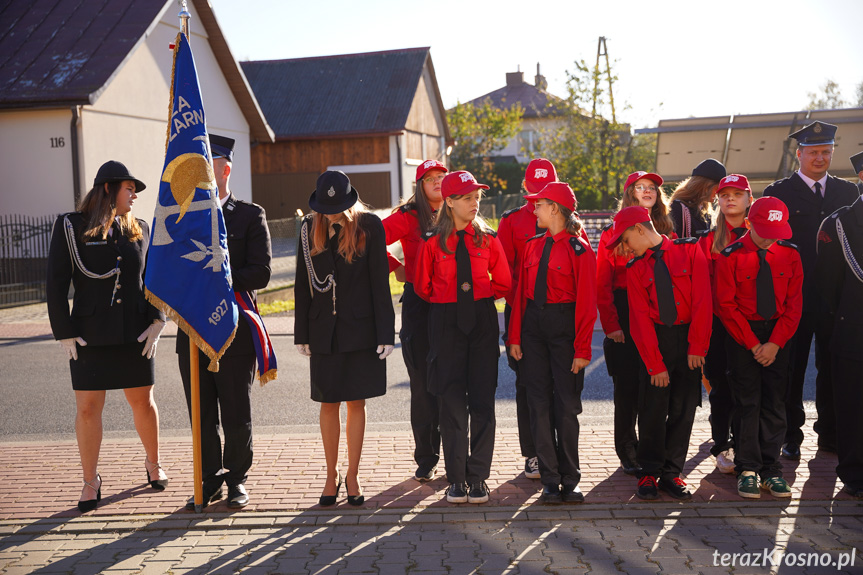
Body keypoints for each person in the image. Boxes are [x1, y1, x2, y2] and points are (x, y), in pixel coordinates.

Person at [47, 160, 168, 512]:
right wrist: (64, 332)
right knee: (87, 409)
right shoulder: (71, 227)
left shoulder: (140, 229)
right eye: (129, 188)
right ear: (107, 189)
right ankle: (90, 481)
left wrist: (158, 320)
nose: (134, 195)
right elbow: (56, 283)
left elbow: (152, 280)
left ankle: (152, 461)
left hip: (135, 333)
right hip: (89, 335)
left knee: (143, 402)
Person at [176, 134, 272, 510]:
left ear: (224, 168)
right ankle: (209, 479)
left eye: (206, 164)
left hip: (233, 327)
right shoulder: (183, 219)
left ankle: (236, 480)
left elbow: (261, 272)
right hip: (194, 328)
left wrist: (220, 278)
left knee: (235, 408)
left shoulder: (250, 215)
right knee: (200, 410)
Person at [295, 170, 395, 507]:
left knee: (356, 402)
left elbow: (381, 282)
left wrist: (386, 332)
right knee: (327, 402)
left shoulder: (370, 226)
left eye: (336, 207)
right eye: (325, 206)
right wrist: (301, 333)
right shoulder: (309, 228)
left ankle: (352, 474)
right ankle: (330, 474)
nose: (331, 212)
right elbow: (301, 284)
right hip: (324, 330)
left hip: (361, 330)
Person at [762, 121, 860, 460]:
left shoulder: (848, 193)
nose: (820, 158)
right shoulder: (778, 192)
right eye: (814, 152)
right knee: (791, 367)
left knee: (833, 366)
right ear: (799, 154)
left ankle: (830, 434)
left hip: (837, 298)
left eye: (826, 152)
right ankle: (790, 434)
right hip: (792, 296)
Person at [415, 170, 511, 504]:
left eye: (477, 198)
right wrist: (451, 302)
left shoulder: (487, 238)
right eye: (468, 198)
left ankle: (479, 477)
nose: (475, 203)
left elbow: (503, 281)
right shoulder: (432, 242)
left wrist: (479, 298)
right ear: (450, 202)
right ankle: (457, 479)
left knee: (483, 400)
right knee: (451, 401)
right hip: (445, 321)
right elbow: (422, 287)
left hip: (482, 320)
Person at [606, 205, 712, 501]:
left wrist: (697, 347)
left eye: (625, 240)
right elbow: (639, 320)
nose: (625, 248)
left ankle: (672, 472)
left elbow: (704, 301)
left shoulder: (690, 251)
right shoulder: (635, 268)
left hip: (689, 339)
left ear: (639, 229)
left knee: (684, 408)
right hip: (655, 343)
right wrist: (654, 364)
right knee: (652, 409)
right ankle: (649, 471)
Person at [507, 182, 596, 503]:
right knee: (539, 405)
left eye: (539, 204)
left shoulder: (580, 249)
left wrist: (583, 349)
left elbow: (587, 303)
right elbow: (519, 298)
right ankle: (549, 479)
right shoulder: (532, 245)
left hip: (565, 334)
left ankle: (570, 480)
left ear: (555, 209)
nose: (534, 209)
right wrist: (514, 337)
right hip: (532, 333)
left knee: (567, 408)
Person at [715, 197, 802, 498]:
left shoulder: (790, 255)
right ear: (749, 223)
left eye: (776, 231)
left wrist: (775, 344)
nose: (770, 238)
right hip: (743, 337)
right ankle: (747, 469)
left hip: (778, 336)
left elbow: (794, 306)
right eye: (764, 230)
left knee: (775, 403)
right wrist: (754, 345)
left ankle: (771, 469)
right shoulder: (731, 256)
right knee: (747, 403)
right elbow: (726, 306)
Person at [596, 171, 674, 476]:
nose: (647, 191)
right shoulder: (611, 234)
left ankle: (653, 448)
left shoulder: (669, 229)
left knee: (656, 384)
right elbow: (602, 283)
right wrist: (611, 323)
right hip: (625, 310)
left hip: (660, 310)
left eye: (652, 187)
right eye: (639, 187)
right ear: (629, 193)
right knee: (627, 386)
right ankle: (627, 449)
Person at [382, 159, 446, 482]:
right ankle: (426, 458)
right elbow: (373, 236)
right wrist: (396, 267)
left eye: (441, 177)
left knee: (449, 384)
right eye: (430, 178)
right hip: (419, 307)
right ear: (420, 185)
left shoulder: (456, 211)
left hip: (449, 306)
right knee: (421, 385)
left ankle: (456, 456)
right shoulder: (408, 217)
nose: (437, 183)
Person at [496, 158, 558, 480]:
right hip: (522, 310)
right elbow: (504, 271)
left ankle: (556, 449)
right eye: (533, 193)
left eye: (544, 193)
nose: (536, 201)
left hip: (558, 312)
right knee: (526, 384)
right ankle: (532, 452)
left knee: (557, 384)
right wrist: (521, 306)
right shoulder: (512, 222)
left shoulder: (565, 219)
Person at [814, 151, 863, 499]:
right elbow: (828, 285)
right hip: (853, 329)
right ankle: (856, 475)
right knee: (853, 406)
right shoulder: (839, 224)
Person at [697, 175, 752, 474]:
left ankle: (748, 444)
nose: (730, 199)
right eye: (724, 194)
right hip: (718, 324)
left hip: (751, 322)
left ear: (748, 198)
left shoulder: (759, 234)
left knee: (748, 387)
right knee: (720, 386)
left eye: (737, 194)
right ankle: (722, 444)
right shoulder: (708, 239)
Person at [669, 159, 726, 238]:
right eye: (717, 189)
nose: (718, 194)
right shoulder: (677, 208)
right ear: (706, 187)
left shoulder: (706, 213)